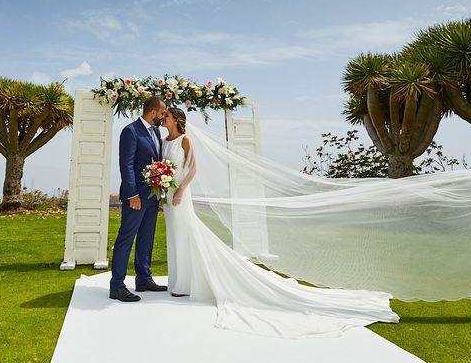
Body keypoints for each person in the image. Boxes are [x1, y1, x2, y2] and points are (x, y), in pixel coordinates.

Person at [160, 107, 399, 338]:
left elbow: (193, 169)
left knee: (187, 233)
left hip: (181, 193)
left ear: (177, 120)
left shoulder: (184, 140)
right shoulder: (164, 141)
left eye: (166, 115)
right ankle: (178, 281)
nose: (163, 118)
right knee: (175, 234)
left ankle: (188, 283)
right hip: (168, 194)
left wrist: (181, 189)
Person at [109, 96, 169, 302]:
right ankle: (117, 285)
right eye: (162, 113)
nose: (164, 117)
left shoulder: (156, 131)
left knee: (146, 237)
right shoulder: (131, 131)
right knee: (126, 237)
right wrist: (132, 193)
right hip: (135, 196)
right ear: (153, 112)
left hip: (152, 196)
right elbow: (126, 165)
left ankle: (143, 279)